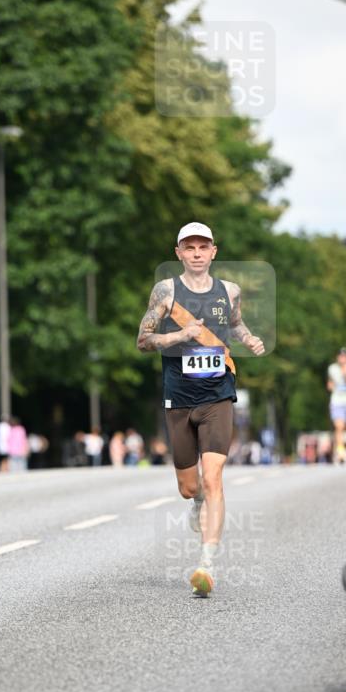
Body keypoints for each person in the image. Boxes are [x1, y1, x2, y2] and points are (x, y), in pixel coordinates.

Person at [136, 222, 265, 596]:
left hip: (218, 396)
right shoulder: (166, 291)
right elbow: (143, 340)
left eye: (202, 246)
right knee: (189, 486)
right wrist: (180, 334)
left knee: (214, 479)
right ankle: (196, 503)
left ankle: (206, 564)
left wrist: (249, 338)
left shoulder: (230, 291)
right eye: (188, 247)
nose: (196, 253)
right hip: (178, 398)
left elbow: (236, 324)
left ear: (213, 251)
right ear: (178, 253)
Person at [327, 347, 346, 464]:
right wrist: (330, 386)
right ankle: (340, 452)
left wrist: (345, 372)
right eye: (340, 356)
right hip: (337, 401)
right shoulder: (332, 368)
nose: (342, 358)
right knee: (339, 426)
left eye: (344, 356)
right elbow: (330, 382)